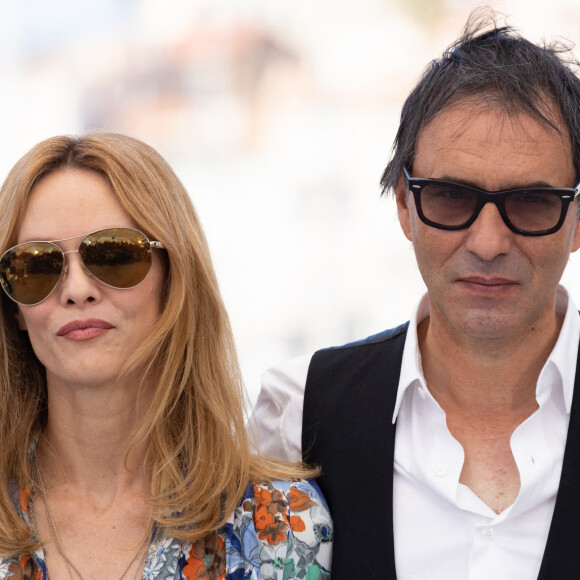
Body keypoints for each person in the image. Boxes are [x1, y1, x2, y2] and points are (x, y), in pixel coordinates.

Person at [251, 11, 580, 580]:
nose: (488, 241)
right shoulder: (297, 411)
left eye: (532, 202)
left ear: (577, 219)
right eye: (451, 197)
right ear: (404, 204)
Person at [0, 132, 332, 579]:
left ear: (174, 279)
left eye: (115, 254)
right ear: (13, 308)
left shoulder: (283, 524)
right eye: (35, 266)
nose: (77, 291)